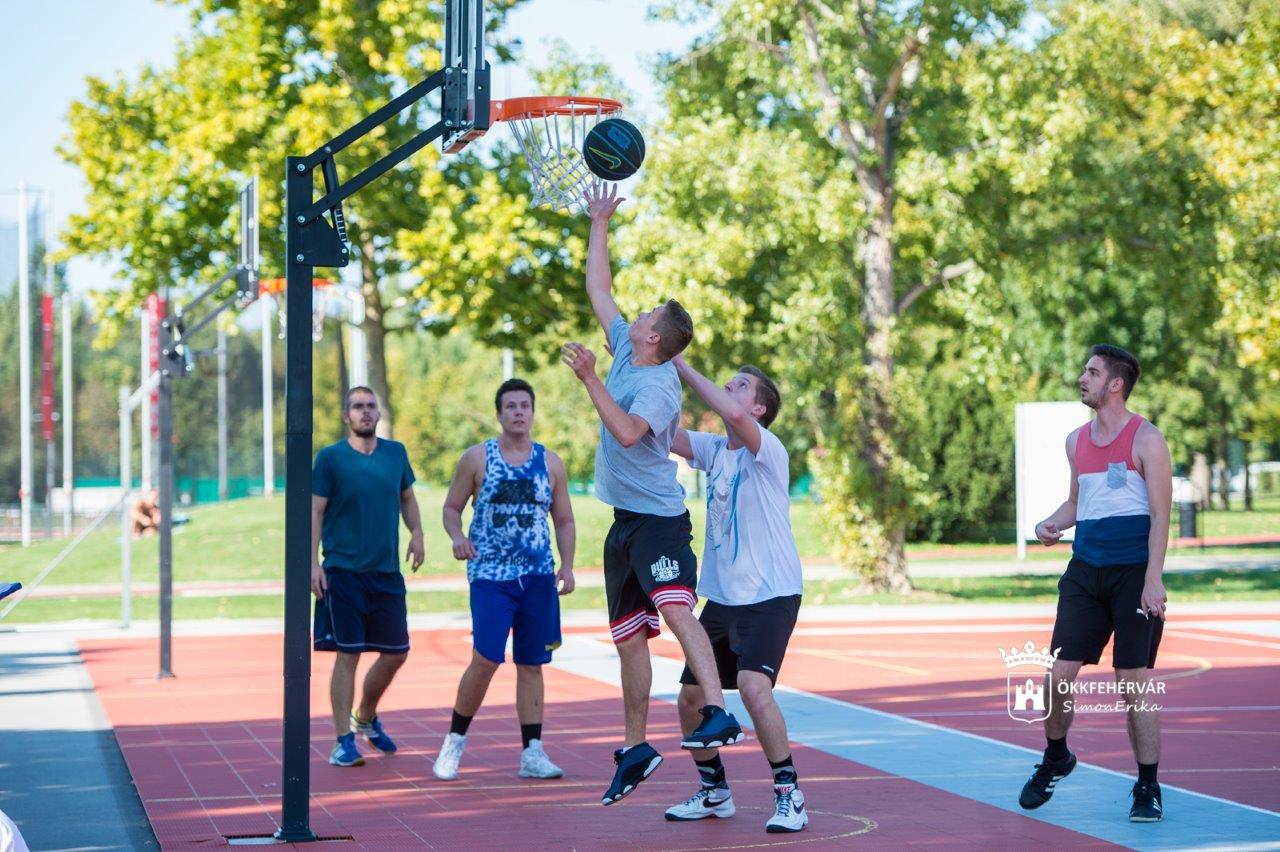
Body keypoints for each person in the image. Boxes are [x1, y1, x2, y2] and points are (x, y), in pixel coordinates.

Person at [561, 180, 743, 807]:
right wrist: (598, 222)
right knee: (628, 637)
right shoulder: (624, 350)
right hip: (625, 524)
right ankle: (637, 746)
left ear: (655, 339)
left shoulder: (658, 386)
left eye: (645, 319)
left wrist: (587, 380)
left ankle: (717, 710)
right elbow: (599, 288)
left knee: (674, 609)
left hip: (661, 520)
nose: (633, 316)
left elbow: (631, 431)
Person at [1018, 344, 1171, 823]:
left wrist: (1153, 580)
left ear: (1115, 384)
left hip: (1132, 575)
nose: (1082, 378)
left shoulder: (1148, 440)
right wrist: (1052, 523)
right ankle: (1057, 756)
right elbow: (1076, 502)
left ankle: (1147, 786)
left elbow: (1162, 516)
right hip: (1085, 572)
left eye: (1092, 371)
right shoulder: (1075, 441)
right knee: (1055, 678)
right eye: (1085, 370)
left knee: (1134, 683)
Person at [662, 355, 807, 833]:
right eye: (729, 383)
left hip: (772, 593)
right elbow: (661, 433)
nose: (729, 389)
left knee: (751, 687)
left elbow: (736, 417)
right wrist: (641, 371)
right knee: (689, 699)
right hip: (722, 598)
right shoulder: (712, 449)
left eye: (740, 385)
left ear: (759, 408)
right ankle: (714, 790)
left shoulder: (767, 450)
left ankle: (790, 793)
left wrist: (679, 363)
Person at [433, 378, 577, 782]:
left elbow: (563, 519)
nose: (518, 412)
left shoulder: (551, 463)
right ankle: (454, 742)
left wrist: (566, 565)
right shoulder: (477, 459)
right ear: (498, 414)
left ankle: (532, 752)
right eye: (510, 406)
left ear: (533, 412)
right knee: (486, 657)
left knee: (533, 663)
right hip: (491, 575)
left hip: (536, 577)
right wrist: (458, 537)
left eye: (524, 405)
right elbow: (450, 507)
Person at [311, 386, 425, 768]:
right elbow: (315, 513)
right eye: (358, 407)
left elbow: (407, 497)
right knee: (349, 654)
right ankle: (343, 740)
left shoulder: (396, 453)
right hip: (343, 571)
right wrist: (313, 564)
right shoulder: (330, 459)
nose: (365, 412)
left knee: (397, 653)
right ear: (347, 415)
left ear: (378, 413)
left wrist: (418, 534)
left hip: (386, 572)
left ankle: (365, 716)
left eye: (370, 406)